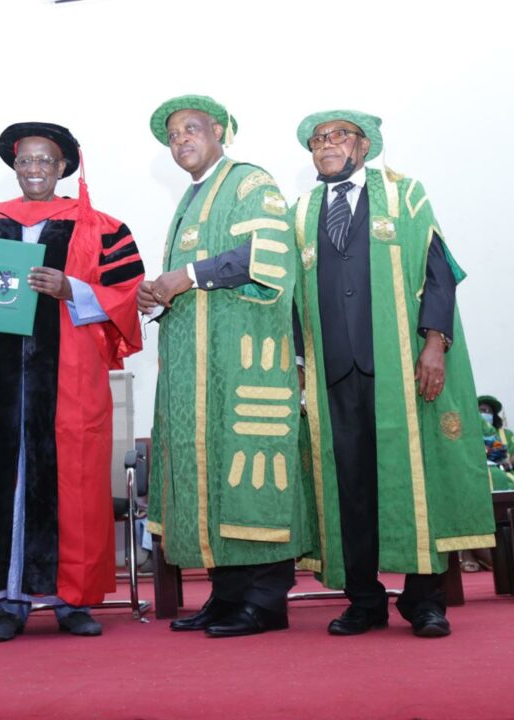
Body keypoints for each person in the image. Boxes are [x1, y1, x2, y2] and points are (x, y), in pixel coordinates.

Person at [288, 110, 495, 637]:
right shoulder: (302, 209)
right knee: (350, 487)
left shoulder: (403, 194)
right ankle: (364, 600)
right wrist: (298, 364)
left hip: (399, 368)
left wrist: (434, 343)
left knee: (412, 479)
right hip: (334, 372)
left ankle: (425, 602)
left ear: (364, 145)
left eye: (336, 136)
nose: (325, 146)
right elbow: (292, 296)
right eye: (317, 140)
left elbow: (439, 272)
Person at [0, 122, 143, 641]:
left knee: (72, 484)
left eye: (45, 161)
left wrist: (71, 287)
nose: (35, 169)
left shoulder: (103, 228)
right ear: (15, 166)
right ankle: (7, 599)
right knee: (2, 480)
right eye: (26, 160)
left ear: (63, 167)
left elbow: (127, 295)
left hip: (71, 381)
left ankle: (70, 600)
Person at [141, 95, 311, 638]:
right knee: (209, 476)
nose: (181, 141)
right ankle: (227, 594)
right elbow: (191, 277)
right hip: (197, 371)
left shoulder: (247, 182)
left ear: (219, 132)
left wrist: (184, 276)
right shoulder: (193, 199)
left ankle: (265, 602)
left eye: (191, 129)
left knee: (252, 475)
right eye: (172, 135)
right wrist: (162, 294)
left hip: (246, 363)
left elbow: (266, 252)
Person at [479, 395, 514, 490]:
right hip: (478, 475)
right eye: (479, 411)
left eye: (486, 411)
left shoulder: (506, 434)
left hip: (504, 474)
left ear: (493, 415)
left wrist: (508, 465)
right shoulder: (469, 435)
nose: (482, 414)